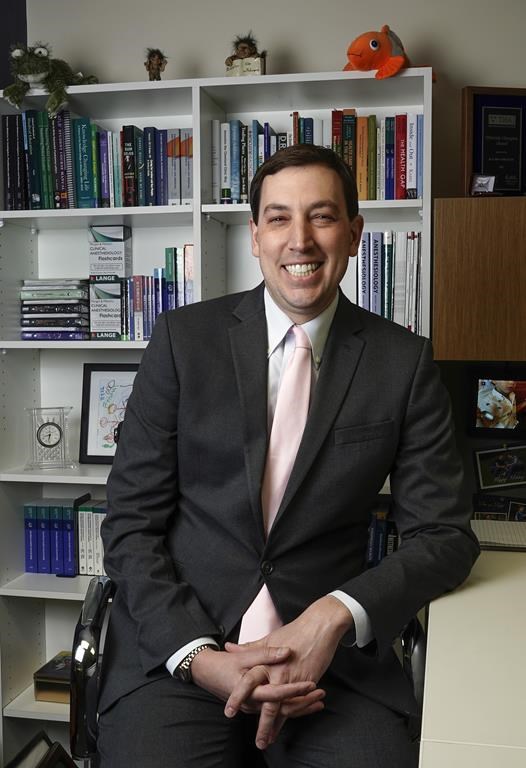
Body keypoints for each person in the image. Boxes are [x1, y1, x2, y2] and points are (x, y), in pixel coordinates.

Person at [98, 144, 479, 768]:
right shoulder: (181, 341)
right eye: (278, 218)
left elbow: (444, 536)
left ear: (354, 234)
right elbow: (130, 522)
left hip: (333, 670)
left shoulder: (402, 363)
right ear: (255, 236)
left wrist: (333, 617)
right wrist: (199, 656)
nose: (299, 240)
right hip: (181, 653)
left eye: (322, 217)